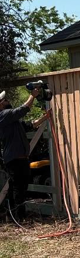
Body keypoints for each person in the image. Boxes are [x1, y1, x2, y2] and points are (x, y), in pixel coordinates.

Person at [0, 89, 49, 219]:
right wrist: (32, 96)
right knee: (18, 188)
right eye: (5, 100)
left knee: (19, 187)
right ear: (0, 105)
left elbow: (30, 125)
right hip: (14, 159)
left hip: (20, 159)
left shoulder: (12, 121)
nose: (7, 101)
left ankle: (13, 216)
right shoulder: (3, 115)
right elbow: (23, 109)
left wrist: (45, 117)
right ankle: (18, 217)